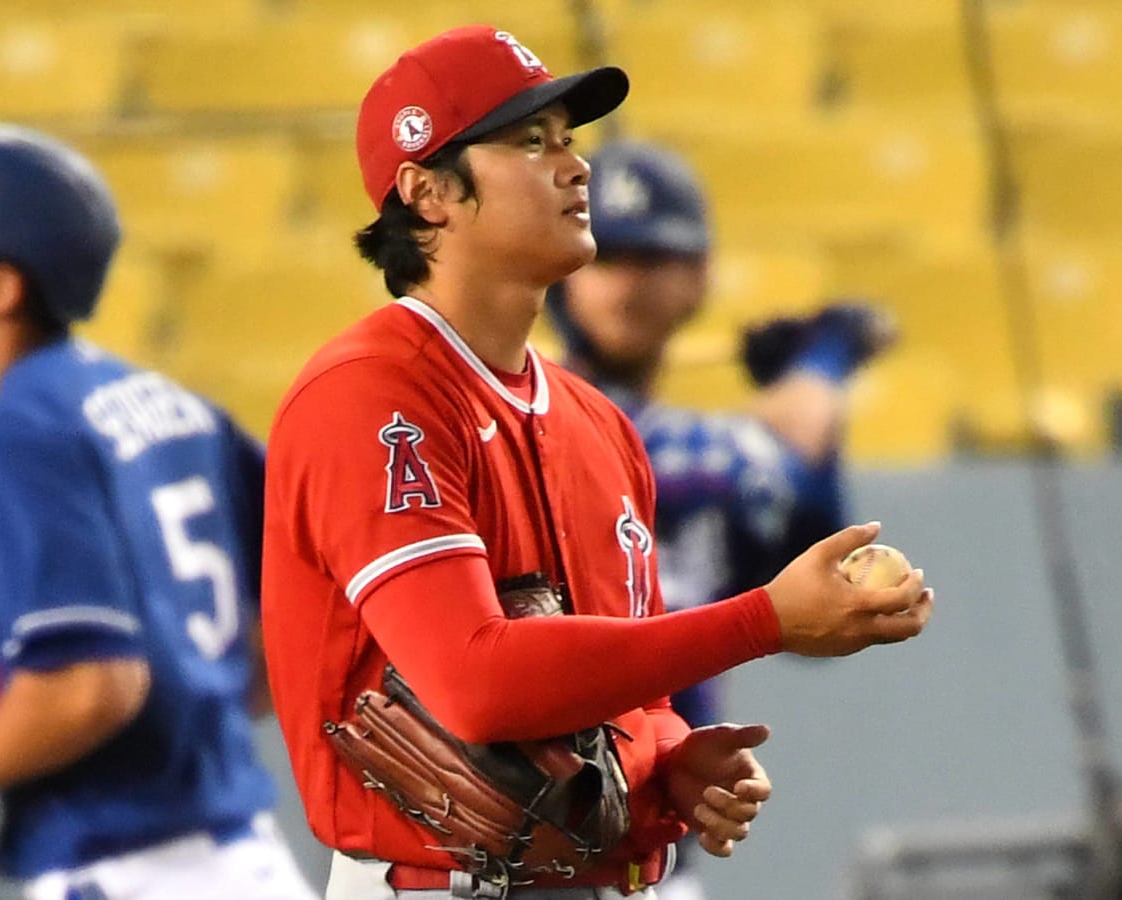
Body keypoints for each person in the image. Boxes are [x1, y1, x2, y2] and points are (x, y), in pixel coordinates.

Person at [260, 25, 934, 900]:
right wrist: (761, 621)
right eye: (529, 143)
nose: (575, 168)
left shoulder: (598, 425)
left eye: (567, 140)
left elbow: (630, 712)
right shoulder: (371, 392)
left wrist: (665, 770)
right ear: (426, 191)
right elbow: (474, 682)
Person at [0, 121, 317, 900]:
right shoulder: (168, 404)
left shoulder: (11, 436)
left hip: (130, 866)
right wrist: (191, 708)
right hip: (239, 856)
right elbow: (304, 624)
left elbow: (86, 688)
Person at [547, 141, 896, 900]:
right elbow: (748, 456)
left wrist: (809, 409)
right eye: (606, 257)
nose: (627, 285)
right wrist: (824, 363)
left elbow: (821, 589)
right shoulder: (533, 413)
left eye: (654, 258)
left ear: (699, 277)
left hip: (659, 852)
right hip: (528, 853)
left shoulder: (705, 457)